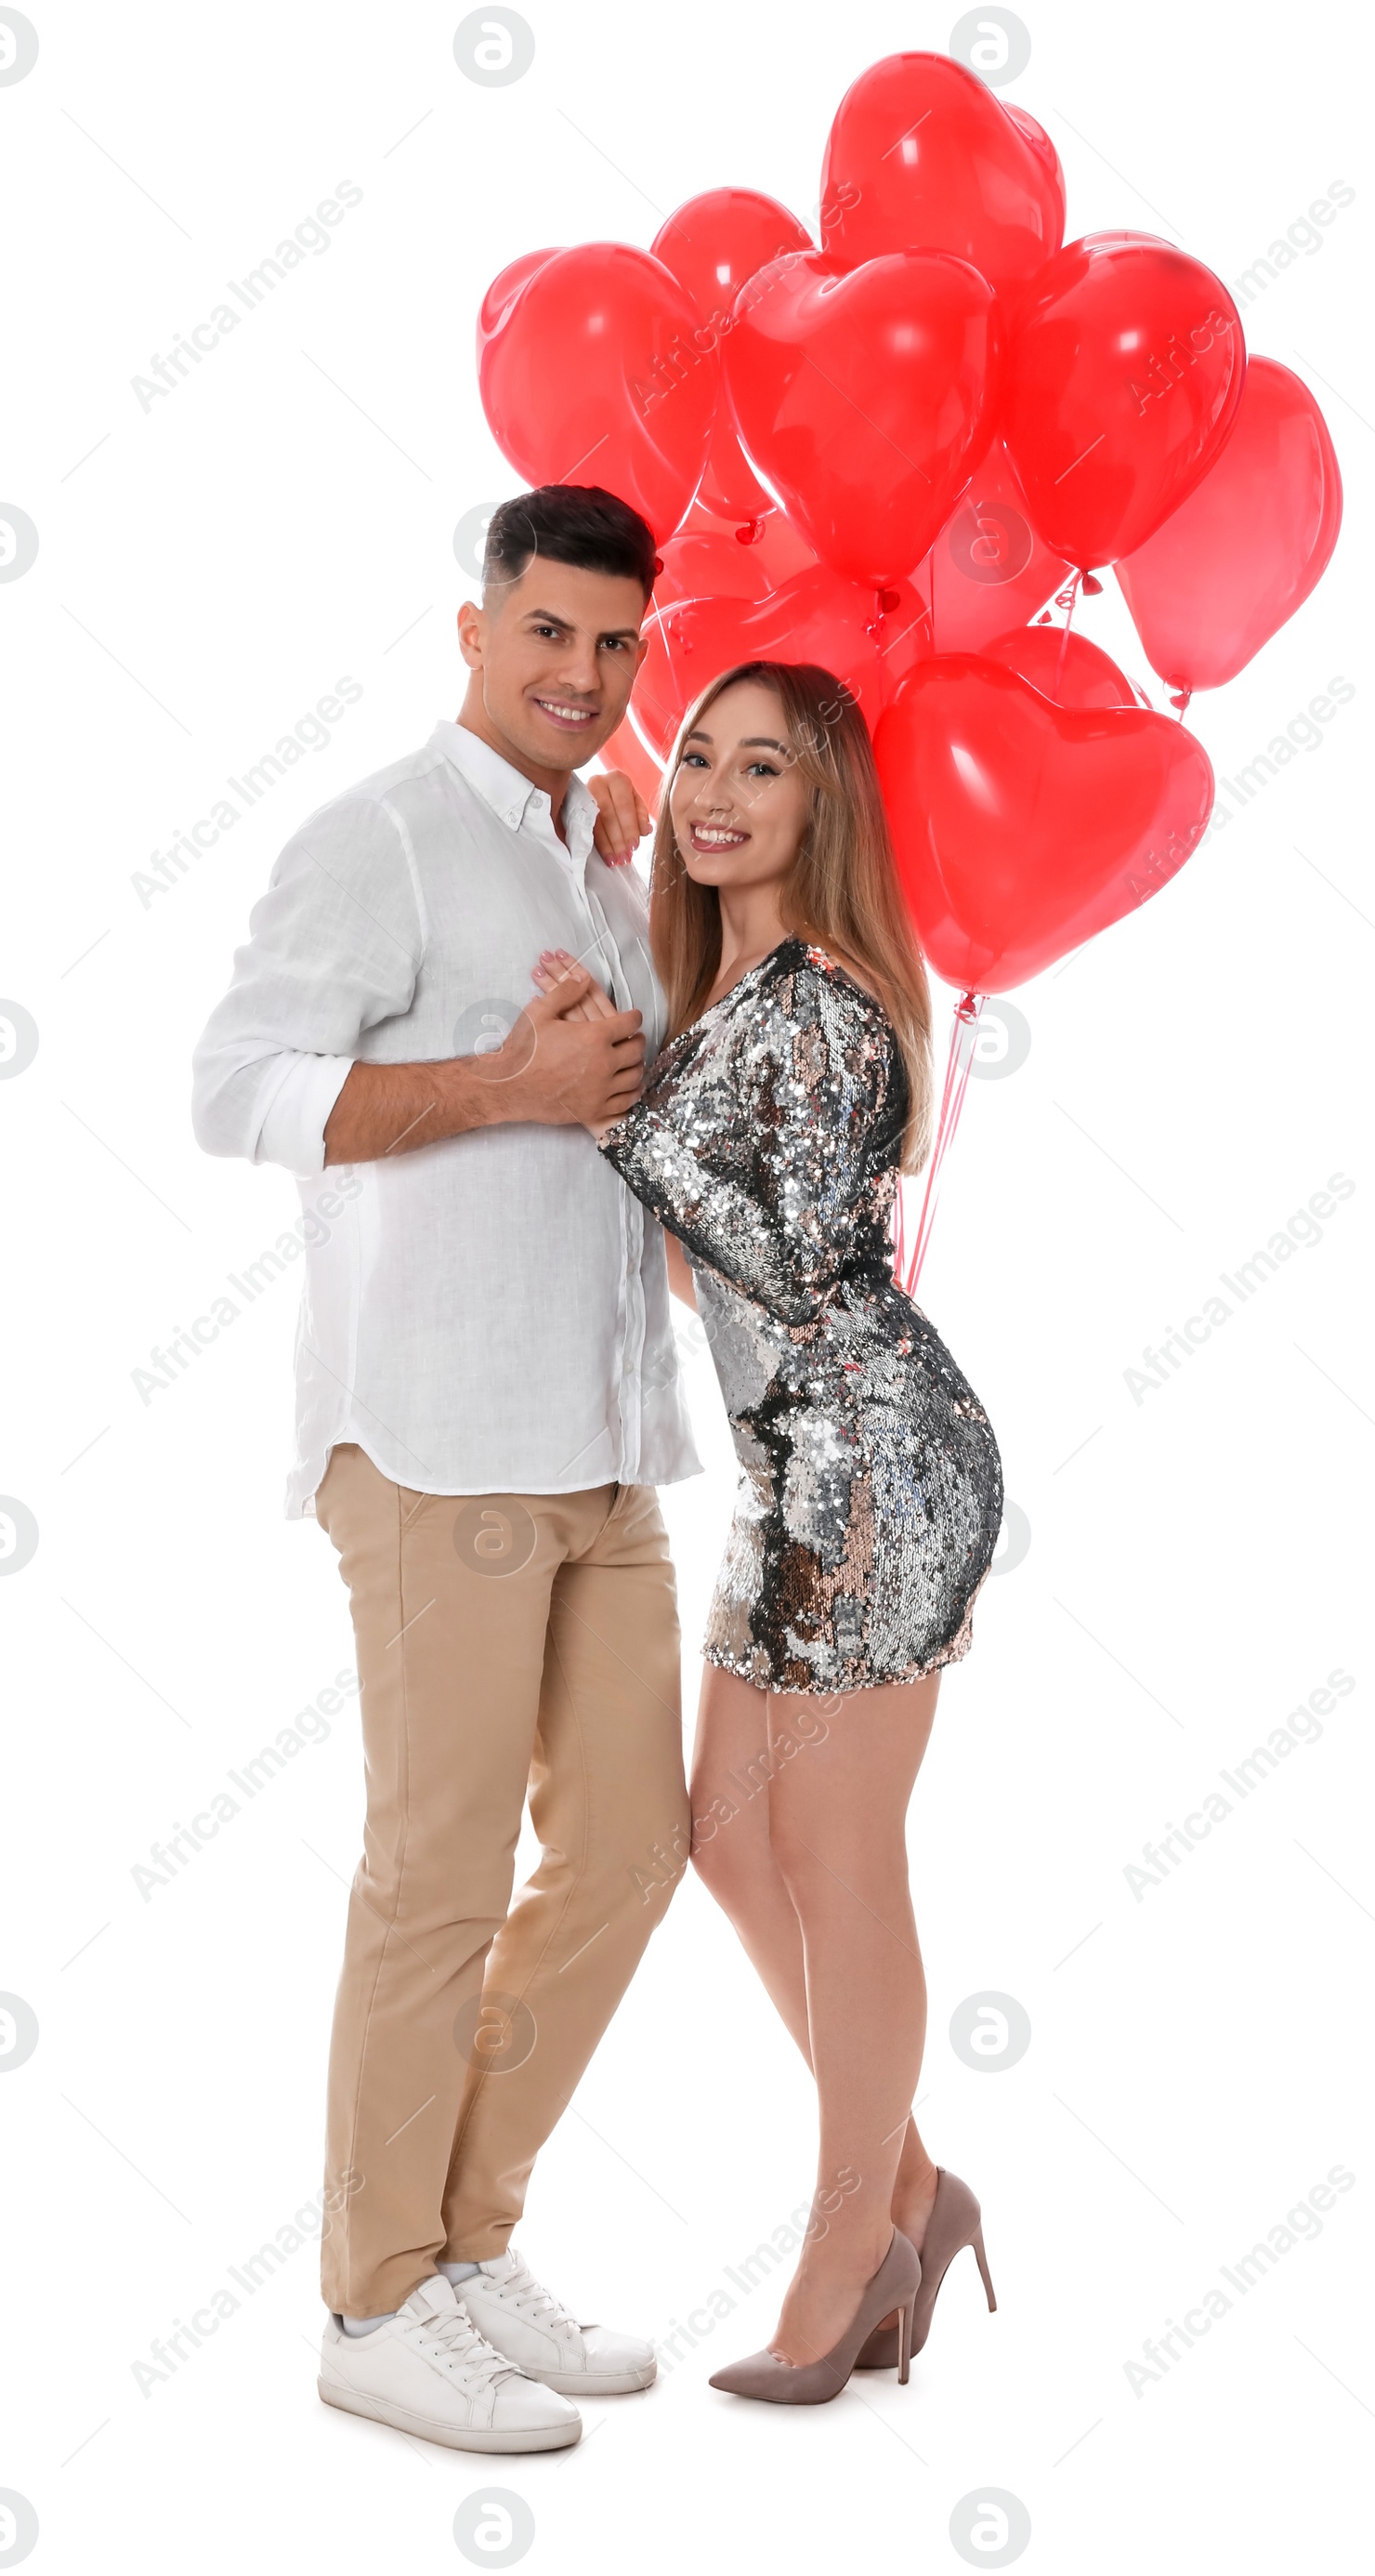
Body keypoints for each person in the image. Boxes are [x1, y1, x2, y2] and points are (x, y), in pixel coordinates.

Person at [190, 483, 701, 2454]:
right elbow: (233, 1090)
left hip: (601, 1441)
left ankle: (459, 2253)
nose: (579, 675)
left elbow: (624, 1131)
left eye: (611, 647)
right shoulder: (380, 839)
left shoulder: (599, 864)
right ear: (475, 628)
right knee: (438, 1876)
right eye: (546, 633)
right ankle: (370, 2301)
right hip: (431, 1442)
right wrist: (506, 1079)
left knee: (631, 1859)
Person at [527, 659, 1004, 2403]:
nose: (716, 793)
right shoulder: (734, 991)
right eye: (702, 757)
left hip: (879, 1458)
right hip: (796, 1465)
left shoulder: (819, 999)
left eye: (764, 770)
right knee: (729, 1843)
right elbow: (701, 1268)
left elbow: (794, 1258)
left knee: (834, 1852)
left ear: (825, 808)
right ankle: (916, 2192)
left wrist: (615, 1114)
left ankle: (849, 2246)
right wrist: (641, 1103)